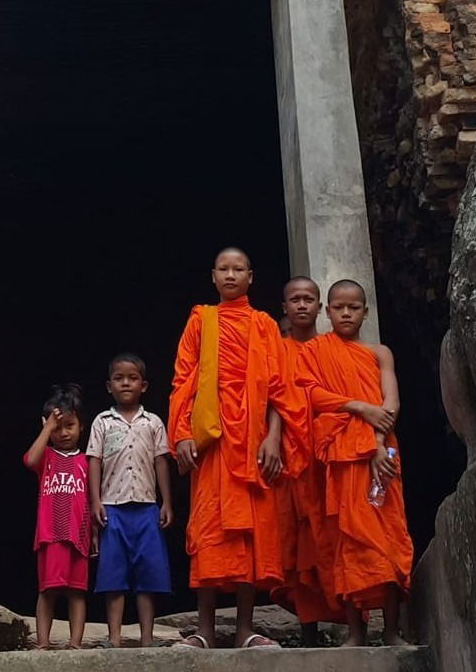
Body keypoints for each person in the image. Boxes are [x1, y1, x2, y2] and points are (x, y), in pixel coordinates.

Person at [168, 246, 287, 649]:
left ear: (251, 276)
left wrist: (274, 438)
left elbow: (279, 390)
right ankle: (203, 631)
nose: (231, 275)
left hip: (254, 443)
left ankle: (245, 630)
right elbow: (183, 380)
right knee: (209, 532)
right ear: (213, 276)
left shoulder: (265, 325)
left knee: (249, 537)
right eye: (224, 269)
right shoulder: (202, 320)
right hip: (212, 441)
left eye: (239, 269)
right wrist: (181, 434)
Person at [303, 279, 413, 646]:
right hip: (343, 457)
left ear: (366, 312)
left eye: (353, 307)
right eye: (338, 307)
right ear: (327, 311)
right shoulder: (316, 351)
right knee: (347, 539)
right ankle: (355, 631)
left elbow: (391, 402)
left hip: (380, 455)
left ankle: (392, 631)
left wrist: (377, 442)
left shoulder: (380, 352)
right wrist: (358, 407)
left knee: (386, 537)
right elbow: (315, 396)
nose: (346, 313)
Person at [87, 352, 173, 648]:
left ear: (144, 386)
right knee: (113, 575)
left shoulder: (153, 422)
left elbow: (161, 461)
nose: (126, 383)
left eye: (132, 378)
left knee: (149, 575)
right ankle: (114, 638)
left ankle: (147, 638)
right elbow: (94, 461)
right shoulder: (102, 422)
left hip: (147, 506)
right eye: (119, 378)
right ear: (109, 386)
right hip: (112, 507)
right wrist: (95, 500)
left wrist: (167, 502)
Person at [275, 276, 338, 646]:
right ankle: (308, 628)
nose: (301, 305)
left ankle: (352, 621)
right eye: (294, 299)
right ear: (284, 307)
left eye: (308, 299)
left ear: (320, 307)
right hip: (290, 454)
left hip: (332, 452)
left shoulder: (335, 349)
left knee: (335, 533)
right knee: (298, 540)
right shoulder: (276, 351)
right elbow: (271, 401)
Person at [24, 383, 92, 650]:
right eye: (58, 428)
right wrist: (46, 428)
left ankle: (75, 643)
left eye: (70, 426)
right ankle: (43, 642)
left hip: (79, 537)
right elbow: (30, 460)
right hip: (50, 537)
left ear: (81, 426)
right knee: (47, 591)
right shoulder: (47, 457)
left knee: (77, 592)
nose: (63, 433)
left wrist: (95, 535)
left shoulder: (88, 461)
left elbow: (95, 499)